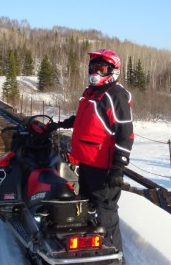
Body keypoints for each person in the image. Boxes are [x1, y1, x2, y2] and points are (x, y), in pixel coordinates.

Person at [54, 48, 134, 253]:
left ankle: (115, 257)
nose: (95, 72)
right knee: (86, 209)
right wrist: (62, 123)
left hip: (104, 168)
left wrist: (118, 167)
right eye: (93, 67)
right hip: (86, 163)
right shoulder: (91, 92)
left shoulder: (115, 95)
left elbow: (125, 133)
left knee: (106, 214)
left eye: (101, 68)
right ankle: (89, 250)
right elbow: (85, 118)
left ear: (112, 71)